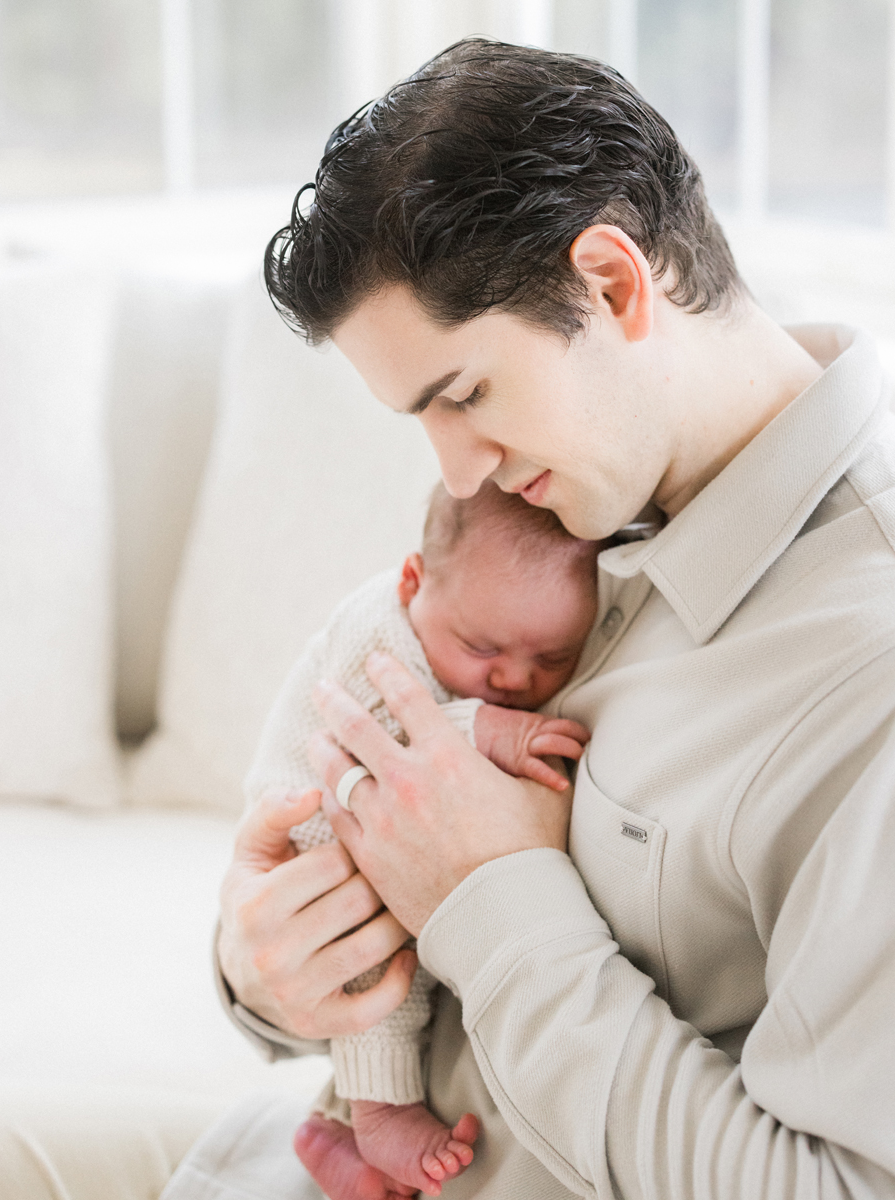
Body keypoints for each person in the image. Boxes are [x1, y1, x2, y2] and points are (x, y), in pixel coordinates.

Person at [207, 38, 895, 1200]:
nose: (460, 475)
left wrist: (492, 904)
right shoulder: (574, 511)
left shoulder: (863, 666)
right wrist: (268, 969)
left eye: (465, 393)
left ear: (614, 283)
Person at [247, 480, 597, 1198]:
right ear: (413, 581)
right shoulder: (381, 628)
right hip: (319, 824)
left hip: (372, 819)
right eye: (482, 646)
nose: (513, 677)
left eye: (552, 660)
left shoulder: (474, 632)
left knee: (436, 964)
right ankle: (379, 1113)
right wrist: (490, 728)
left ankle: (333, 1132)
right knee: (386, 969)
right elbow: (377, 733)